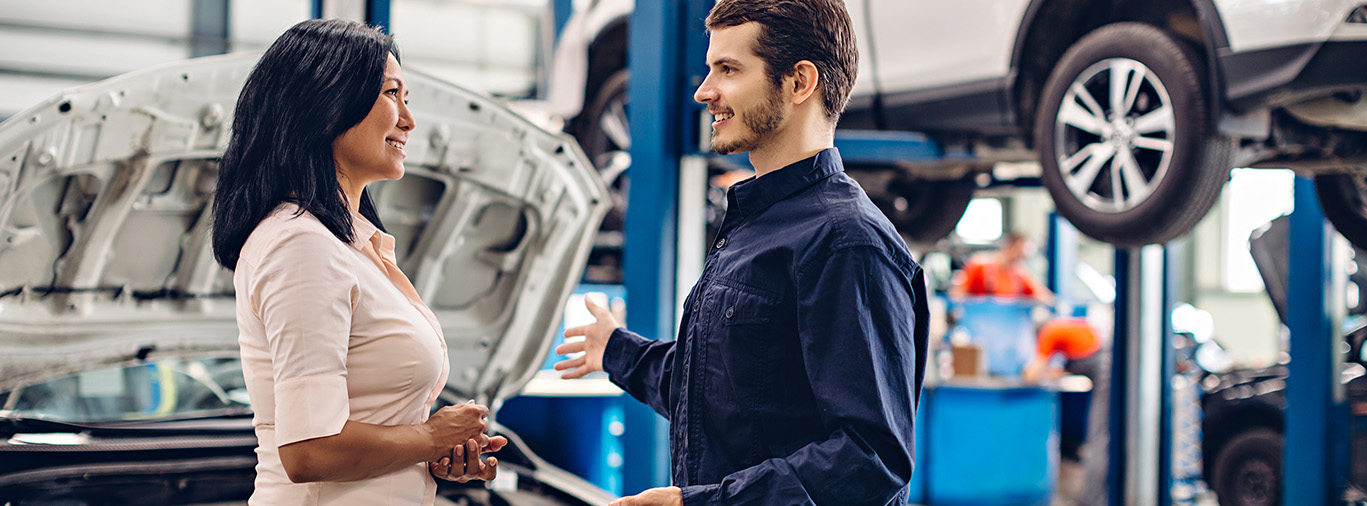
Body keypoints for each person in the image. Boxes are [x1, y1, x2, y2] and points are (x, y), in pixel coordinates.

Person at [554, 1, 929, 504]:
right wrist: (617, 351)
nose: (703, 91)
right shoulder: (755, 228)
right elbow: (724, 394)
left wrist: (698, 503)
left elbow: (870, 459)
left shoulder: (847, 242)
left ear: (799, 83)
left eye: (728, 70)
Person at [210, 18, 506, 505]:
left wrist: (429, 454)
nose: (408, 121)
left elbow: (367, 429)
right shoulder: (298, 245)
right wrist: (431, 437)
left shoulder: (348, 245)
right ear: (326, 105)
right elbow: (309, 450)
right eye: (392, 95)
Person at [949, 231, 1055, 305]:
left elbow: (1043, 296)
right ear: (1010, 247)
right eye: (1019, 251)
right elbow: (957, 295)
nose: (1021, 256)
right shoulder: (979, 266)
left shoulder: (1019, 273)